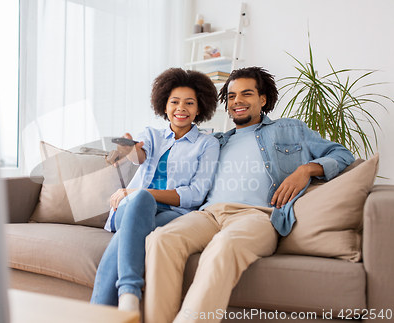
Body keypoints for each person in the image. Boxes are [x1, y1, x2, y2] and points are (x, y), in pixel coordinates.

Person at [143, 67, 355, 323]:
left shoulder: (290, 129)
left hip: (257, 217)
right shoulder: (215, 141)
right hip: (208, 215)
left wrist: (306, 169)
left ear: (262, 99)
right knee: (161, 239)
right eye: (231, 96)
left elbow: (342, 154)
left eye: (246, 94)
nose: (237, 101)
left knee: (224, 247)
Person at [90, 68, 221, 314]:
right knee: (140, 199)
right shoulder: (152, 134)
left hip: (173, 212)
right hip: (132, 208)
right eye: (175, 102)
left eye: (189, 103)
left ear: (199, 108)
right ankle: (129, 292)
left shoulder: (207, 144)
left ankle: (115, 304)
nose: (181, 108)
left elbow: (194, 194)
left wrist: (140, 192)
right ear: (164, 105)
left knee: (126, 233)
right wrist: (128, 148)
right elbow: (141, 155)